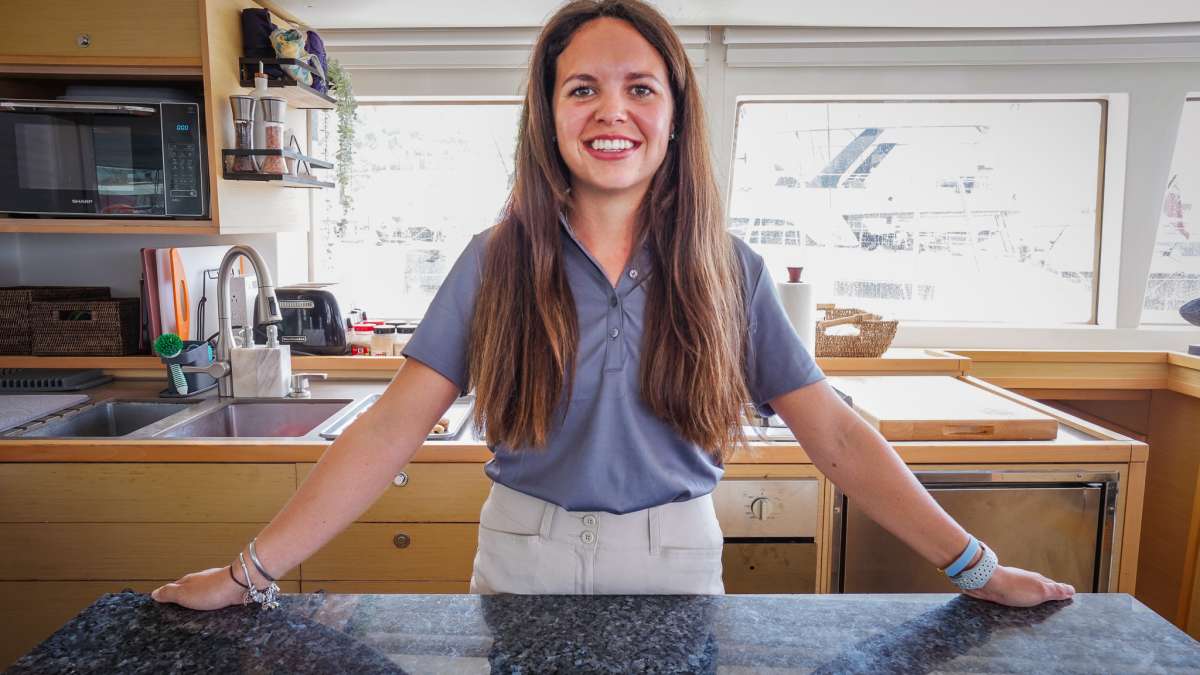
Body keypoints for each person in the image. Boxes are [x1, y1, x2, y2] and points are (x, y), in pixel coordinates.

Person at [153, 0, 1074, 610]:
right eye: (582, 87)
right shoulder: (496, 260)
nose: (612, 111)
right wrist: (250, 574)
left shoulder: (728, 269)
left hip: (676, 559)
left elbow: (834, 435)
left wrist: (975, 567)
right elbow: (388, 431)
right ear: (550, 114)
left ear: (673, 114)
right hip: (520, 558)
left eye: (640, 88)